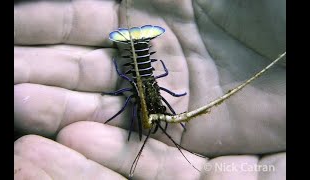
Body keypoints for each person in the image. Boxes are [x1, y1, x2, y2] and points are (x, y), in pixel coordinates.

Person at [14, 0, 286, 179]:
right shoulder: (157, 108)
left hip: (140, 65)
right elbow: (146, 89)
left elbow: (142, 89)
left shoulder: (153, 108)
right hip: (139, 64)